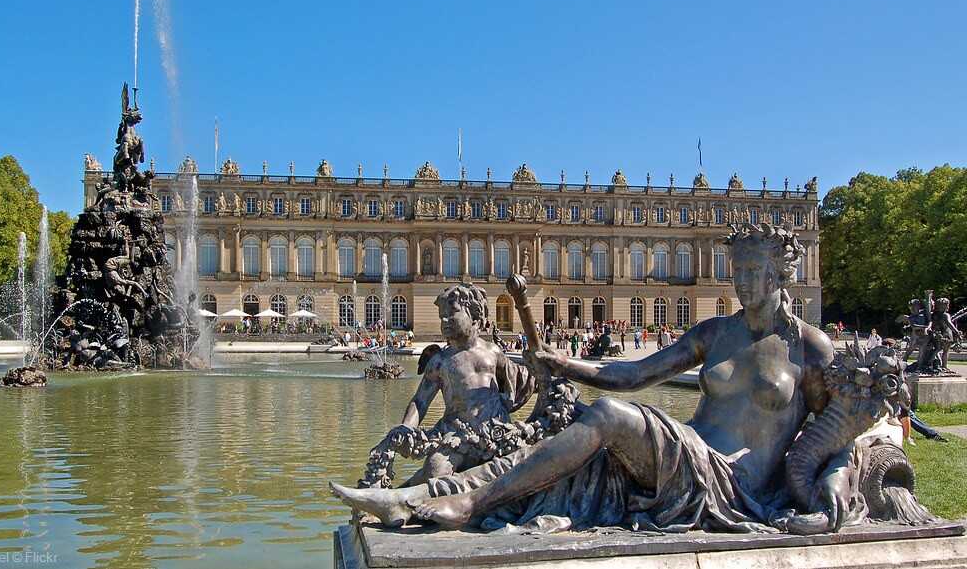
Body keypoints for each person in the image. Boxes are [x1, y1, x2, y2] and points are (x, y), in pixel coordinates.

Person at [332, 224, 854, 535]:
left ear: (781, 273)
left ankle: (467, 503)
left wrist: (831, 486)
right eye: (734, 269)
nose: (740, 281)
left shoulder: (809, 347)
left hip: (735, 485)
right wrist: (564, 365)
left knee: (604, 417)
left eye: (751, 270)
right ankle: (422, 496)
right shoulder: (715, 331)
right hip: (686, 456)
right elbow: (631, 374)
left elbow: (838, 433)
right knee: (567, 436)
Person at [375, 283, 537, 486]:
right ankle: (398, 496)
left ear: (475, 316)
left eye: (451, 314)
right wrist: (407, 427)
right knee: (434, 472)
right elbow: (420, 401)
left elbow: (520, 379)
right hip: (457, 435)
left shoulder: (494, 352)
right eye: (442, 316)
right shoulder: (440, 361)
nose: (444, 321)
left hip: (497, 433)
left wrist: (541, 370)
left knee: (528, 469)